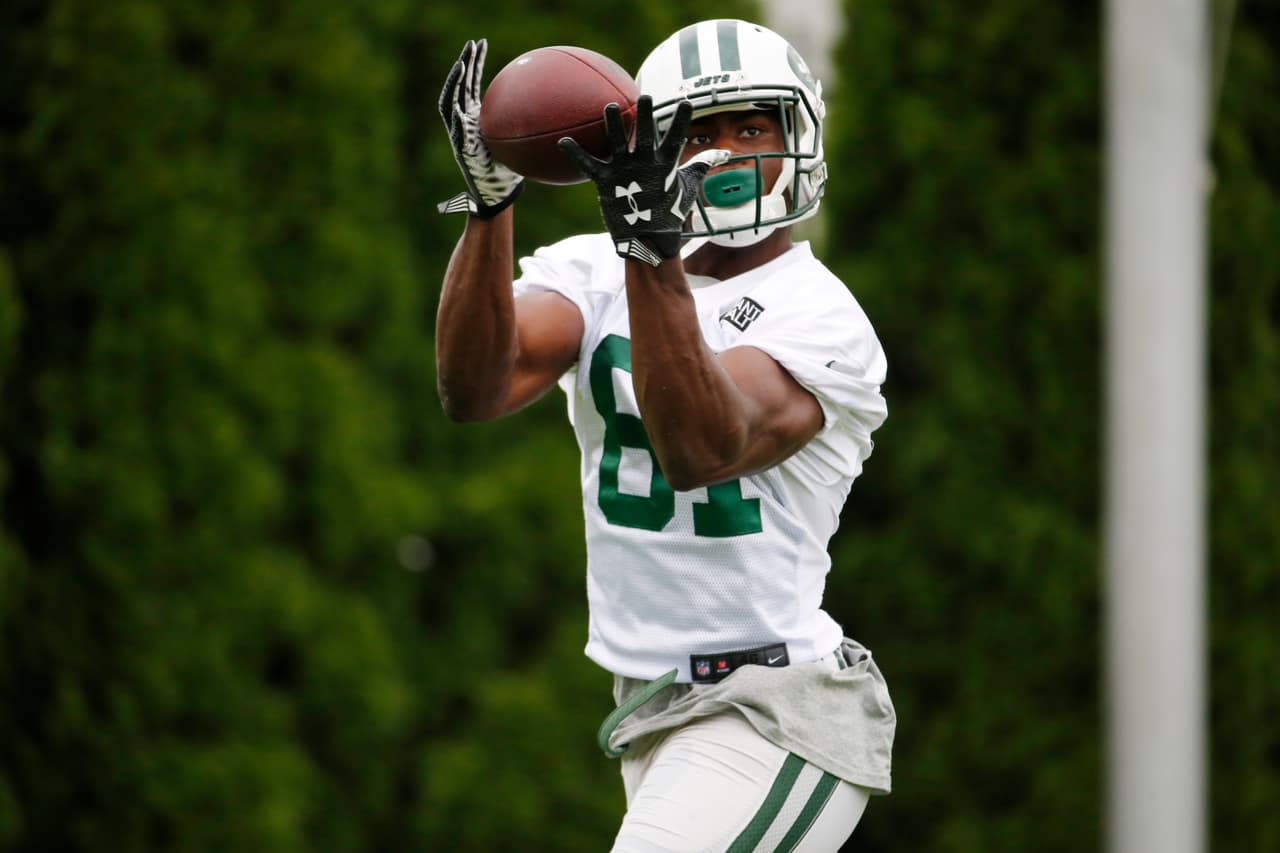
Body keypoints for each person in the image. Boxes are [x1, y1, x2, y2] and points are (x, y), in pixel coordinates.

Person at [436, 18, 894, 852]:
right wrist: (491, 206)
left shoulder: (824, 317)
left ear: (796, 134)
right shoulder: (591, 268)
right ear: (651, 148)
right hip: (652, 709)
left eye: (751, 126)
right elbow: (476, 385)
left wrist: (651, 252)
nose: (723, 154)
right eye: (698, 132)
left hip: (772, 708)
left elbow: (700, 448)